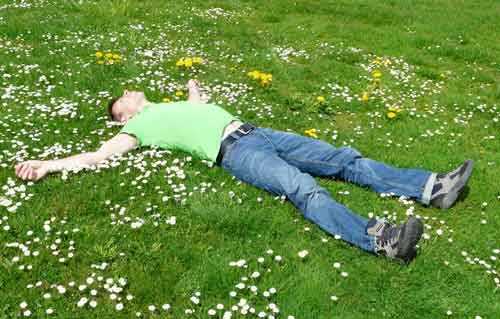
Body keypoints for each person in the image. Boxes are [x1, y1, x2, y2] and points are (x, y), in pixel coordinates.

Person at [14, 79, 474, 265]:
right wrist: (49, 164)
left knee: (342, 157)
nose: (132, 92)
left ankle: (431, 187)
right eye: (124, 100)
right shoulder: (138, 129)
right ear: (123, 117)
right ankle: (381, 239)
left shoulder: (169, 105)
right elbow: (98, 157)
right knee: (302, 188)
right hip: (234, 152)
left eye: (131, 92)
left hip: (258, 132)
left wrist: (194, 90)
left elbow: (196, 107)